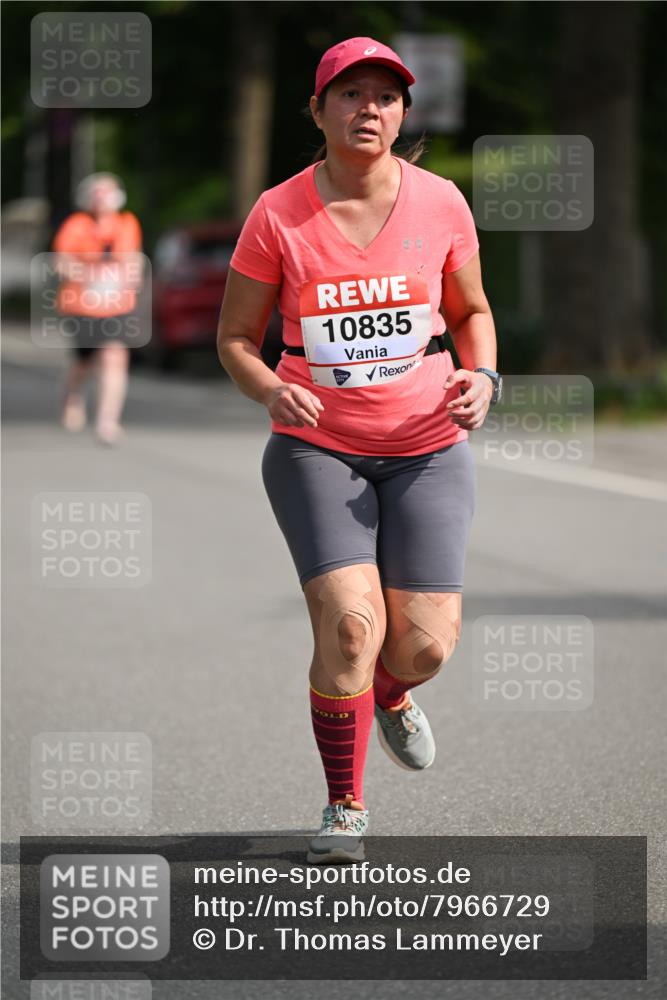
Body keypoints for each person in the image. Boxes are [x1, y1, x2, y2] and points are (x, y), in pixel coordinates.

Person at [218, 37, 501, 864]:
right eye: (349, 95)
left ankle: (390, 695)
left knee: (423, 647)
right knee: (350, 628)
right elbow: (236, 339)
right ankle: (344, 804)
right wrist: (271, 388)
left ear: (403, 114)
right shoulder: (278, 212)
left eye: (384, 96)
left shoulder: (441, 202)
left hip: (427, 445)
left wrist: (482, 376)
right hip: (317, 446)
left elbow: (472, 309)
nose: (367, 108)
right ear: (318, 111)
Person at [53, 172, 143, 446]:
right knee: (84, 361)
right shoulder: (76, 225)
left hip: (117, 303)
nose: (103, 198)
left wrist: (132, 274)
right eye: (98, 192)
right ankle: (72, 395)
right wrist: (86, 273)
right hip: (83, 304)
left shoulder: (127, 223)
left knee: (115, 355)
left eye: (109, 191)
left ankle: (108, 421)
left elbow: (134, 257)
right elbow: (60, 262)